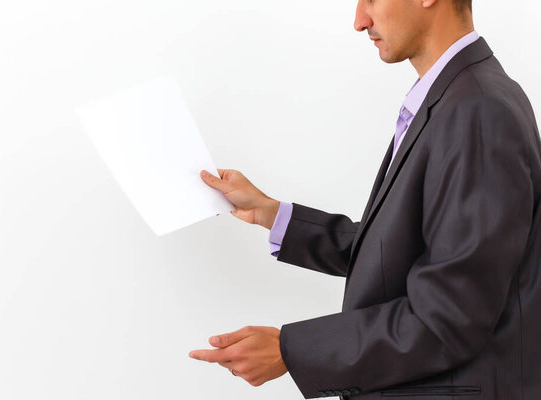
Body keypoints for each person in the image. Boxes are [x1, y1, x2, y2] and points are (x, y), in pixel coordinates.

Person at [188, 0, 541, 398]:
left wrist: (292, 350)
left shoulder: (477, 110)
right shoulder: (453, 98)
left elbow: (449, 316)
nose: (359, 21)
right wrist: (271, 214)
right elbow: (402, 254)